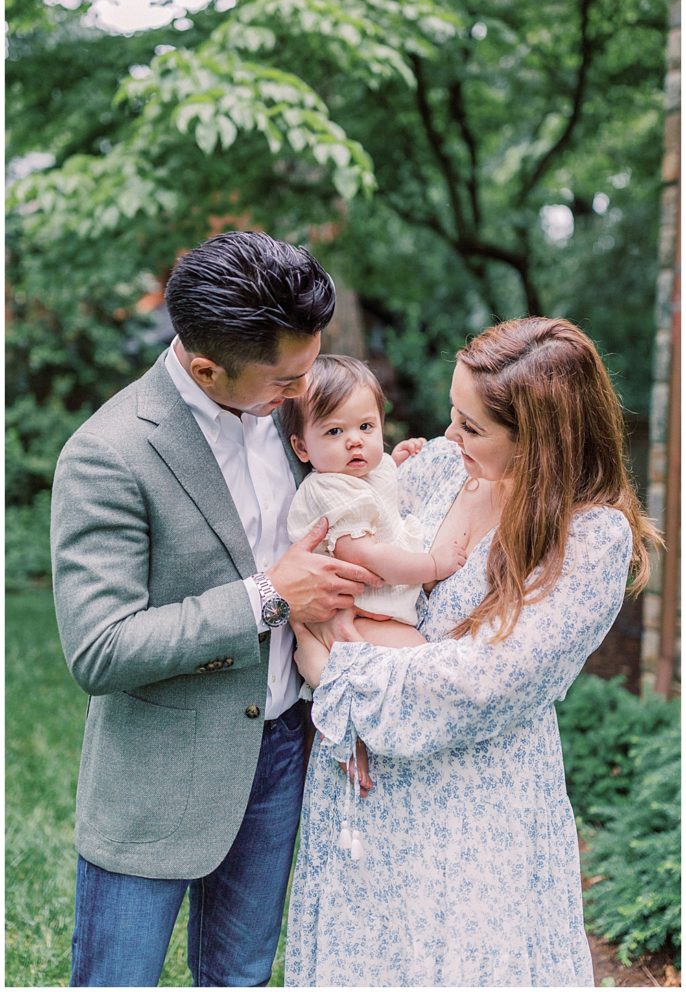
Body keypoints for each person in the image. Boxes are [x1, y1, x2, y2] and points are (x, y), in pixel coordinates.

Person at [285, 316, 660, 988]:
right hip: (371, 786)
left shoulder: (588, 538)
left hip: (478, 811)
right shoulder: (435, 468)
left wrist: (332, 671)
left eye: (473, 427)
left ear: (541, 442)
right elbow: (331, 558)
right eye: (452, 414)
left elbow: (482, 680)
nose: (448, 435)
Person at [50, 230, 383, 988]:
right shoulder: (107, 454)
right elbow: (99, 649)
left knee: (241, 977)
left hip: (278, 753)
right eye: (286, 379)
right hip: (159, 775)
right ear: (205, 367)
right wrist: (268, 597)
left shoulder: (282, 415)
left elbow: (339, 472)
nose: (304, 392)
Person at [283, 354, 466, 634]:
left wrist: (394, 461)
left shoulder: (362, 471)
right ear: (302, 448)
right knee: (415, 661)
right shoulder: (328, 490)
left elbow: (375, 493)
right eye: (334, 431)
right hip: (362, 613)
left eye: (366, 427)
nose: (355, 440)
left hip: (386, 607)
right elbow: (369, 557)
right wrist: (432, 566)